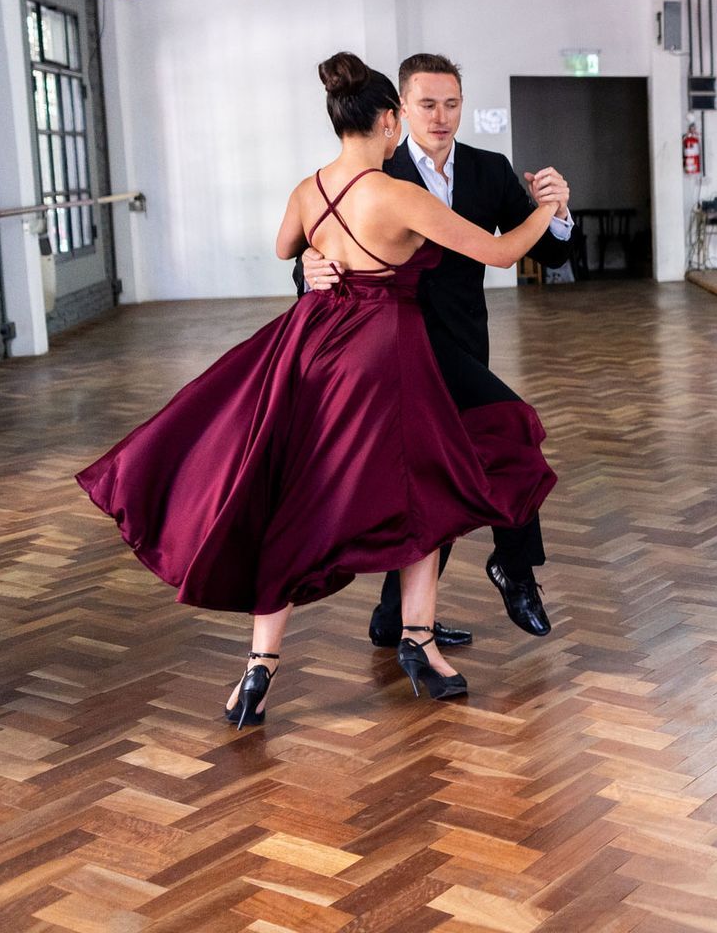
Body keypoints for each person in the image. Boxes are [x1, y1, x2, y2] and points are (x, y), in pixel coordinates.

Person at [79, 53, 559, 725]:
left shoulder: (310, 188)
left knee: (289, 498)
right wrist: (545, 211)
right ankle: (418, 641)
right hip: (387, 353)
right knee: (433, 482)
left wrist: (317, 253)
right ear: (390, 120)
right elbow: (502, 253)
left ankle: (260, 669)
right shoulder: (396, 193)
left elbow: (285, 249)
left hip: (310, 349)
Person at [303, 54, 573, 646]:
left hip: (462, 350)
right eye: (427, 104)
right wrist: (309, 266)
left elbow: (548, 257)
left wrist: (559, 213)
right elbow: (321, 254)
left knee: (454, 471)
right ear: (399, 110)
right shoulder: (377, 172)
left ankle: (397, 618)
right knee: (494, 444)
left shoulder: (488, 169)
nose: (442, 116)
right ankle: (513, 570)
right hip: (394, 356)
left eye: (452, 103)